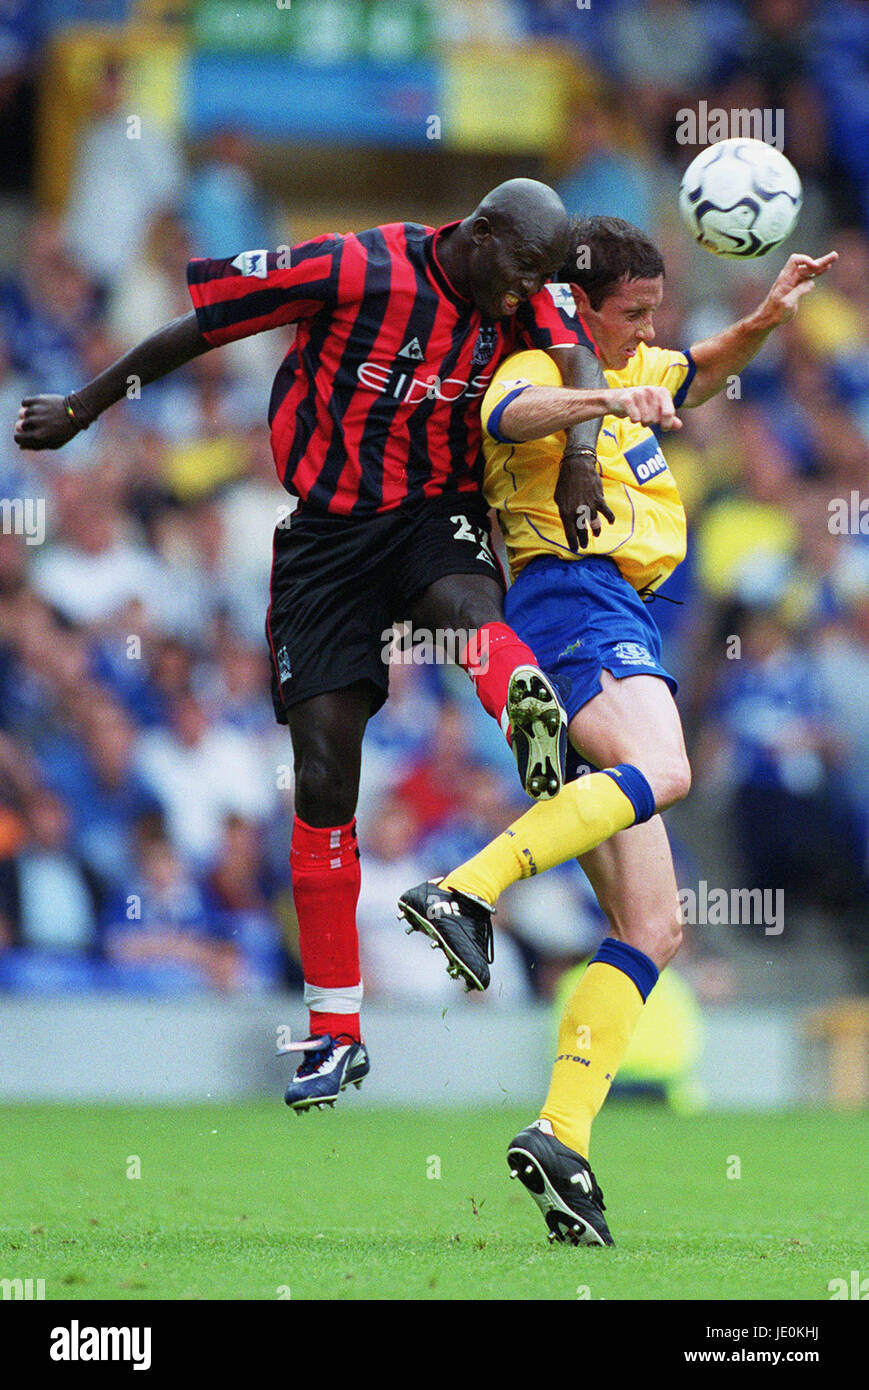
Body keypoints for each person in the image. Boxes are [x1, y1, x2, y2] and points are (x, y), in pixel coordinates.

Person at [14, 182, 673, 1111]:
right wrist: (84, 408)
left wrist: (574, 466)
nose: (527, 291)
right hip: (326, 538)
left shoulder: (532, 285)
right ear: (477, 236)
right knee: (324, 771)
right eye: (518, 269)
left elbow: (573, 361)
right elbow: (200, 329)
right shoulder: (355, 265)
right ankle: (334, 1031)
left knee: (459, 596)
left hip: (433, 508)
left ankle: (521, 696)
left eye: (539, 277)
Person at [399, 216, 837, 1242]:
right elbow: (515, 420)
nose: (648, 331)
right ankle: (467, 887)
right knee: (666, 765)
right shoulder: (533, 364)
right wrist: (607, 394)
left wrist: (765, 317)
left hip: (610, 612)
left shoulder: (635, 363)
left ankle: (559, 1133)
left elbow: (698, 365)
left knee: (653, 925)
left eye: (653, 312)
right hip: (569, 597)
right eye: (630, 313)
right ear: (577, 304)